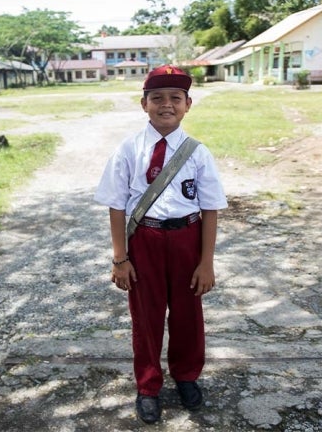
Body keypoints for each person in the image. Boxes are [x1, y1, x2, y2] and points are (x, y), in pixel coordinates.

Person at [94, 65, 228, 424]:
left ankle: (186, 376)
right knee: (146, 317)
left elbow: (211, 208)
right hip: (145, 241)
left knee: (188, 315)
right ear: (144, 104)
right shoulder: (128, 149)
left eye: (175, 98)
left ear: (188, 105)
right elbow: (116, 204)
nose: (166, 105)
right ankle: (149, 385)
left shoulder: (198, 152)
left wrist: (206, 262)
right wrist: (120, 258)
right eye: (157, 98)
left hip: (188, 238)